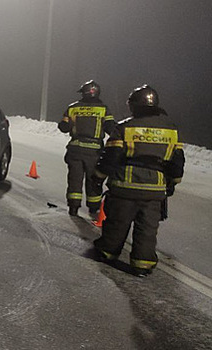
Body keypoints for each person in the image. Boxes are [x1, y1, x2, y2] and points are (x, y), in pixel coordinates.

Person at [92, 85, 184, 277]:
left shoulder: (125, 127)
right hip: (154, 190)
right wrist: (173, 182)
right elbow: (177, 161)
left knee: (117, 222)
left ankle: (107, 252)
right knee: (147, 229)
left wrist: (98, 177)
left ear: (134, 105)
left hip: (125, 187)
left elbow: (111, 156)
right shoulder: (171, 129)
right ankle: (142, 263)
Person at [58, 80, 116, 216]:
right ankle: (93, 208)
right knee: (94, 180)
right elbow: (111, 129)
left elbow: (63, 127)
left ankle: (73, 207)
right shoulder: (103, 109)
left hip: (75, 150)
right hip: (94, 152)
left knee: (74, 179)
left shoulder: (73, 108)